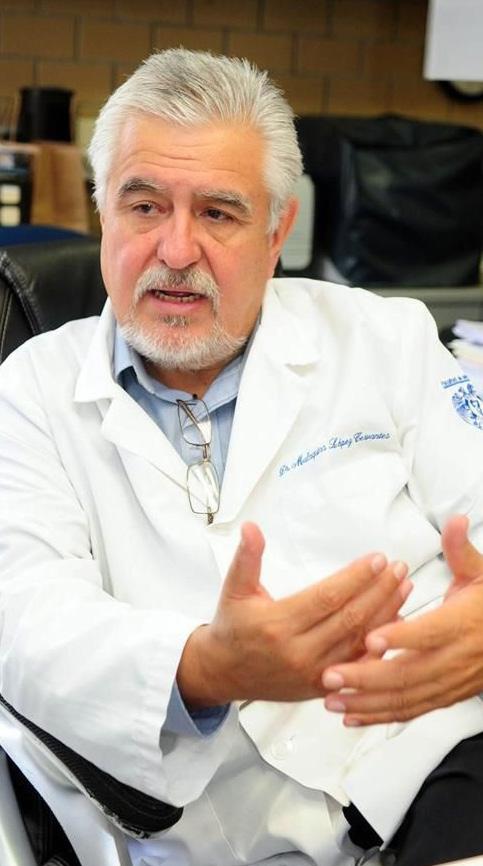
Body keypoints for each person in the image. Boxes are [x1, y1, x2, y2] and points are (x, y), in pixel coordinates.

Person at [2, 47, 483, 866]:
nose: (176, 249)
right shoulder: (29, 391)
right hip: (195, 827)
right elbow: (23, 616)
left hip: (430, 770)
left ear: (276, 230)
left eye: (219, 213)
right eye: (144, 205)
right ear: (100, 211)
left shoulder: (384, 339)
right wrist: (204, 667)